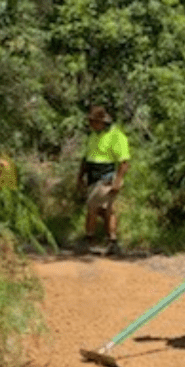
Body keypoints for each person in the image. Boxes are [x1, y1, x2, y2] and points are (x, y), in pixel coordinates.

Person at [75, 105, 130, 255]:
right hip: (93, 176)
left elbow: (124, 162)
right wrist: (80, 177)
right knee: (106, 210)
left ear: (102, 122)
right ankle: (112, 241)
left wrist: (118, 180)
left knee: (92, 207)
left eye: (93, 122)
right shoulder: (93, 135)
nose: (91, 125)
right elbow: (86, 158)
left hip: (106, 176)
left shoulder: (116, 136)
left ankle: (89, 239)